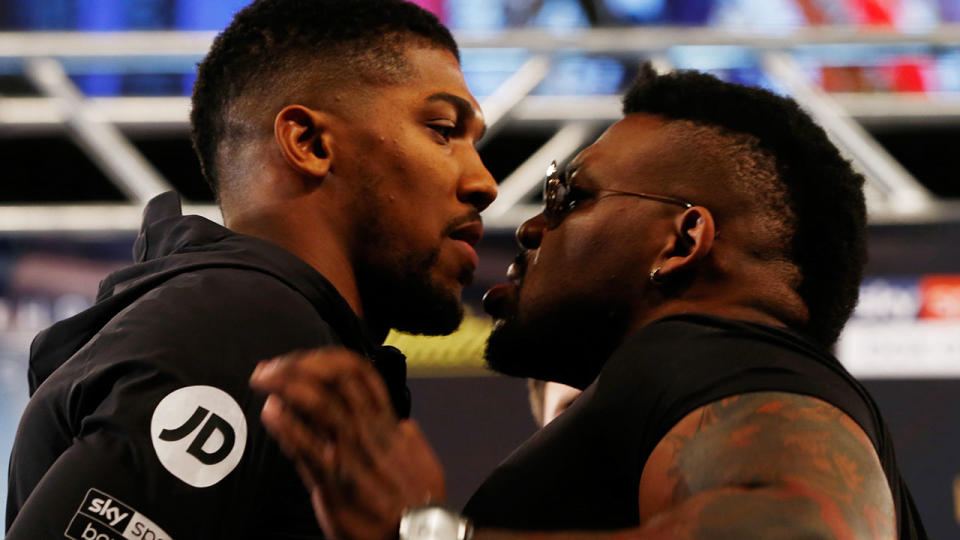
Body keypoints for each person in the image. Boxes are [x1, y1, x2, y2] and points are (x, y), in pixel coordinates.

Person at [250, 65, 927, 539]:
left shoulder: (717, 357)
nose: (528, 226)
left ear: (683, 241)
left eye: (567, 197)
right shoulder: (677, 385)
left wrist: (422, 534)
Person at [6, 0, 496, 537]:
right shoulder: (245, 326)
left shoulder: (258, 325)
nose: (484, 182)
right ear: (308, 143)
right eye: (443, 129)